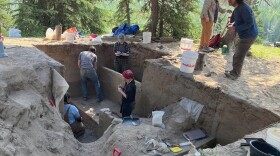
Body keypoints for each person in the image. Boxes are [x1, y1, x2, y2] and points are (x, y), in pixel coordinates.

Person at [225, 0, 258, 80]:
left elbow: (249, 22)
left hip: (249, 35)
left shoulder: (244, 8)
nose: (229, 0)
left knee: (239, 55)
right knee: (237, 54)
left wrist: (236, 28)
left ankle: (235, 74)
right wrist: (232, 25)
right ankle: (234, 71)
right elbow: (239, 20)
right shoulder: (237, 9)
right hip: (244, 35)